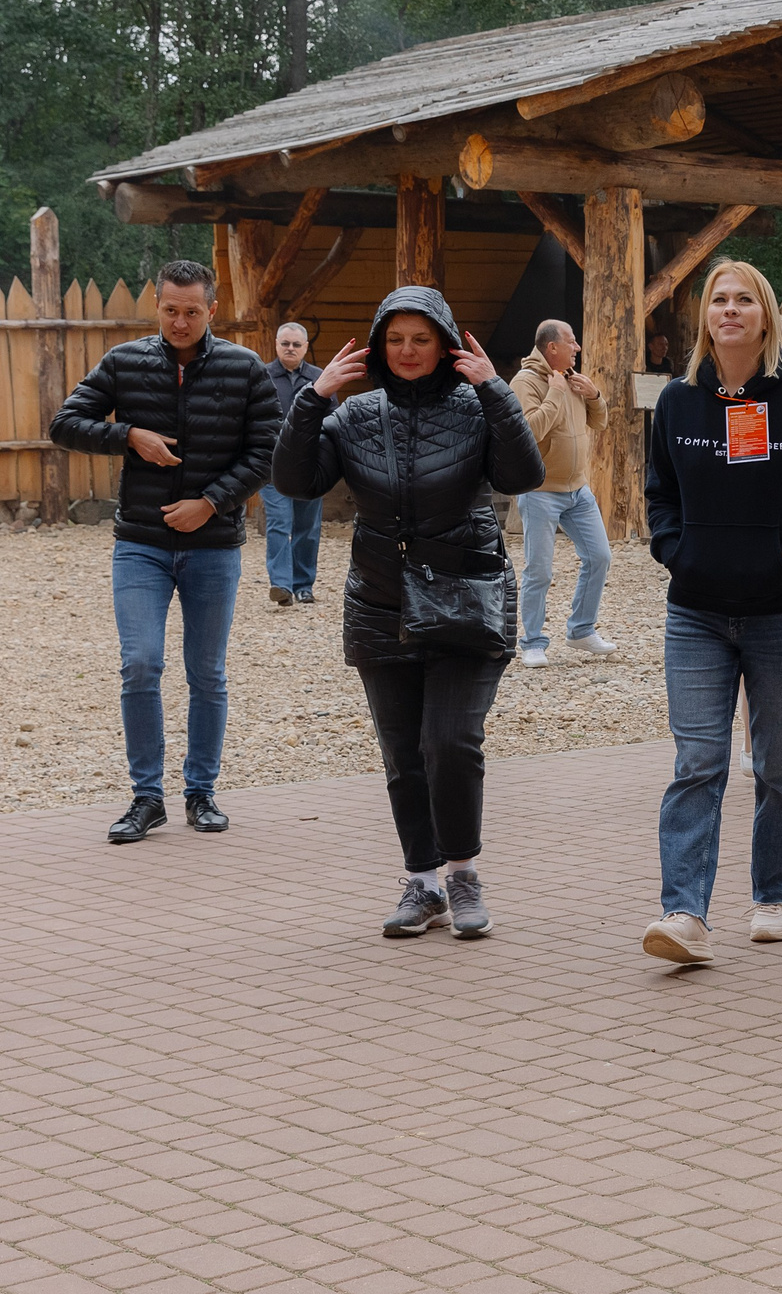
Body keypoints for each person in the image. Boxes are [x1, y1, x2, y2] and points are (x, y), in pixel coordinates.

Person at [272, 287, 544, 937]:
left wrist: (497, 391)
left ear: (444, 343)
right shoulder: (356, 414)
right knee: (403, 752)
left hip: (466, 596)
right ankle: (422, 884)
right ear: (378, 346)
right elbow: (294, 480)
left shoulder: (477, 406)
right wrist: (313, 401)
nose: (407, 350)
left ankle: (464, 874)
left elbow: (523, 475)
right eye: (395, 339)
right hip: (380, 599)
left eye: (421, 338)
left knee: (449, 740)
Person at [639, 261, 782, 967]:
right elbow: (659, 495)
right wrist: (676, 551)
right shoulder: (676, 403)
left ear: (764, 316)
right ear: (705, 317)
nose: (729, 310)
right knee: (698, 759)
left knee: (779, 766)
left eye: (744, 300)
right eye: (718, 300)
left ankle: (774, 895)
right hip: (696, 613)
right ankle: (684, 912)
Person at [52, 258, 282, 845]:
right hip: (141, 545)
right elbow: (65, 423)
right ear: (157, 306)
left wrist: (211, 501)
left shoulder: (243, 366)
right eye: (170, 310)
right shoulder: (125, 361)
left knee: (206, 673)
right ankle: (146, 797)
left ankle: (201, 792)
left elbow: (268, 450)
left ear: (211, 310)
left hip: (212, 546)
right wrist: (128, 435)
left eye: (192, 311)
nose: (180, 322)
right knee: (140, 663)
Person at [508, 319, 616, 666]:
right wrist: (555, 391)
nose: (578, 348)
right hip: (540, 491)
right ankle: (532, 642)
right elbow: (531, 430)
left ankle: (581, 631)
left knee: (599, 557)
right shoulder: (525, 382)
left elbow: (599, 422)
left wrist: (594, 396)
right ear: (551, 347)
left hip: (577, 491)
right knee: (539, 569)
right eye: (572, 342)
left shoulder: (571, 378)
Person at [261, 321, 327, 606]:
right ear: (276, 344)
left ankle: (303, 585)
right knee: (279, 523)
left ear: (305, 348)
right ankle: (281, 586)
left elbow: (331, 419)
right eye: (285, 343)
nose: (290, 348)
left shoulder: (320, 378)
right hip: (271, 466)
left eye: (296, 344)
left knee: (307, 528)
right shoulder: (261, 377)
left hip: (309, 466)